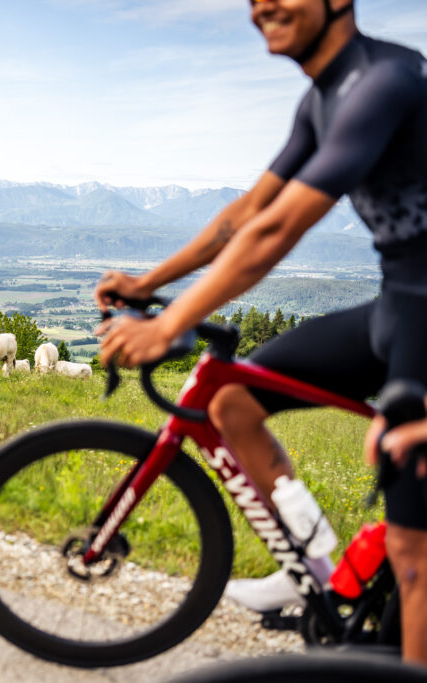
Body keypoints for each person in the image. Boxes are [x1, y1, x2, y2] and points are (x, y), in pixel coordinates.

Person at [94, 0, 427, 665]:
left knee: (414, 554)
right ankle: (314, 569)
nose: (261, 7)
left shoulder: (385, 80)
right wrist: (147, 281)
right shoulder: (321, 100)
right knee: (233, 399)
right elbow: (247, 214)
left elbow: (277, 231)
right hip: (401, 302)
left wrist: (170, 323)